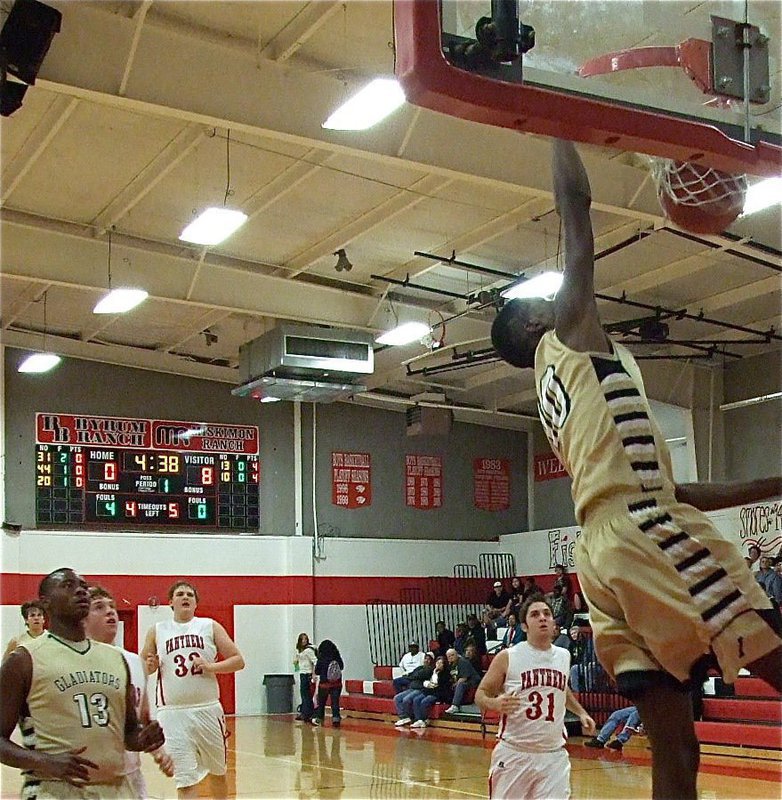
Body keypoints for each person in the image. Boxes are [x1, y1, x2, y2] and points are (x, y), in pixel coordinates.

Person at [490, 138, 782, 799]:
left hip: (605, 555)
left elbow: (680, 490)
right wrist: (557, 124)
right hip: (641, 533)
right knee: (772, 647)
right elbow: (576, 216)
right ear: (536, 319)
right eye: (546, 299)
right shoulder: (568, 334)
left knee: (675, 747)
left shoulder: (559, 396)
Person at [0, 568, 165, 798]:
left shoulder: (116, 658)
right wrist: (43, 761)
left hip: (118, 789)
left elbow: (129, 733)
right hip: (55, 789)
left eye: (83, 587)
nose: (80, 591)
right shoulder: (24, 659)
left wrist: (144, 738)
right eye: (68, 586)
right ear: (45, 602)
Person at [475, 597, 596, 799]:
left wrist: (581, 713)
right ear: (524, 626)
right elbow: (480, 694)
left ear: (554, 623)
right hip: (515, 753)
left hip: (553, 756)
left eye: (547, 614)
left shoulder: (563, 655)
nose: (542, 618)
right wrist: (495, 703)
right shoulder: (509, 656)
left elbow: (560, 689)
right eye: (535, 614)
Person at [141, 580, 245, 799]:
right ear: (171, 602)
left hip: (207, 710)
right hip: (172, 714)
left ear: (196, 602)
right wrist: (149, 666)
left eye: (190, 594)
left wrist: (211, 667)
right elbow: (143, 667)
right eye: (180, 594)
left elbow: (238, 660)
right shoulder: (157, 630)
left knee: (218, 772)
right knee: (185, 779)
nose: (185, 597)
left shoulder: (209, 626)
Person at [85, 585, 174, 797]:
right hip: (88, 777)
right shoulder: (73, 663)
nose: (110, 611)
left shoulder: (135, 662)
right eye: (98, 607)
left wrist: (158, 752)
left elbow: (142, 718)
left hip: (129, 774)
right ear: (82, 619)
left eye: (112, 607)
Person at [410, 655, 453, 729]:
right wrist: (427, 684)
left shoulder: (446, 674)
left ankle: (424, 719)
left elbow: (440, 685)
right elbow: (425, 680)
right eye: (437, 663)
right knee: (416, 699)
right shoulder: (431, 671)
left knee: (424, 701)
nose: (438, 665)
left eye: (441, 663)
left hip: (438, 693)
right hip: (428, 690)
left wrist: (436, 676)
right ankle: (418, 719)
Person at [393, 652, 434, 726]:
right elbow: (412, 675)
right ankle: (403, 717)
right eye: (425, 659)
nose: (426, 660)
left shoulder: (430, 669)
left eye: (429, 659)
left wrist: (414, 676)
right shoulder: (419, 668)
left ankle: (411, 717)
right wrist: (413, 676)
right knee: (397, 698)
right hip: (412, 688)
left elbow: (419, 675)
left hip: (420, 689)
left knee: (406, 699)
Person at [312, 639, 344, 728]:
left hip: (324, 684)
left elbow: (317, 671)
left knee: (322, 702)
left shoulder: (321, 658)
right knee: (335, 702)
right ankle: (336, 718)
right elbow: (341, 666)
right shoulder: (336, 657)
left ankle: (320, 718)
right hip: (337, 684)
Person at [443, 647, 481, 714]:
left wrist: (455, 684)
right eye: (448, 656)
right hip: (462, 681)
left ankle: (455, 706)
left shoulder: (463, 662)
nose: (451, 657)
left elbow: (464, 678)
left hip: (472, 681)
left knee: (460, 684)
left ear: (457, 654)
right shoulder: (450, 665)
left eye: (452, 655)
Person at [294, 633, 318, 723]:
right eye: (302, 639)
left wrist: (313, 674)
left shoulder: (309, 650)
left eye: (305, 639)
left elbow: (315, 662)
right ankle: (305, 712)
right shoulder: (300, 651)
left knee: (307, 694)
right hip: (302, 673)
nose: (304, 641)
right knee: (304, 694)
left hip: (307, 673)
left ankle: (308, 713)